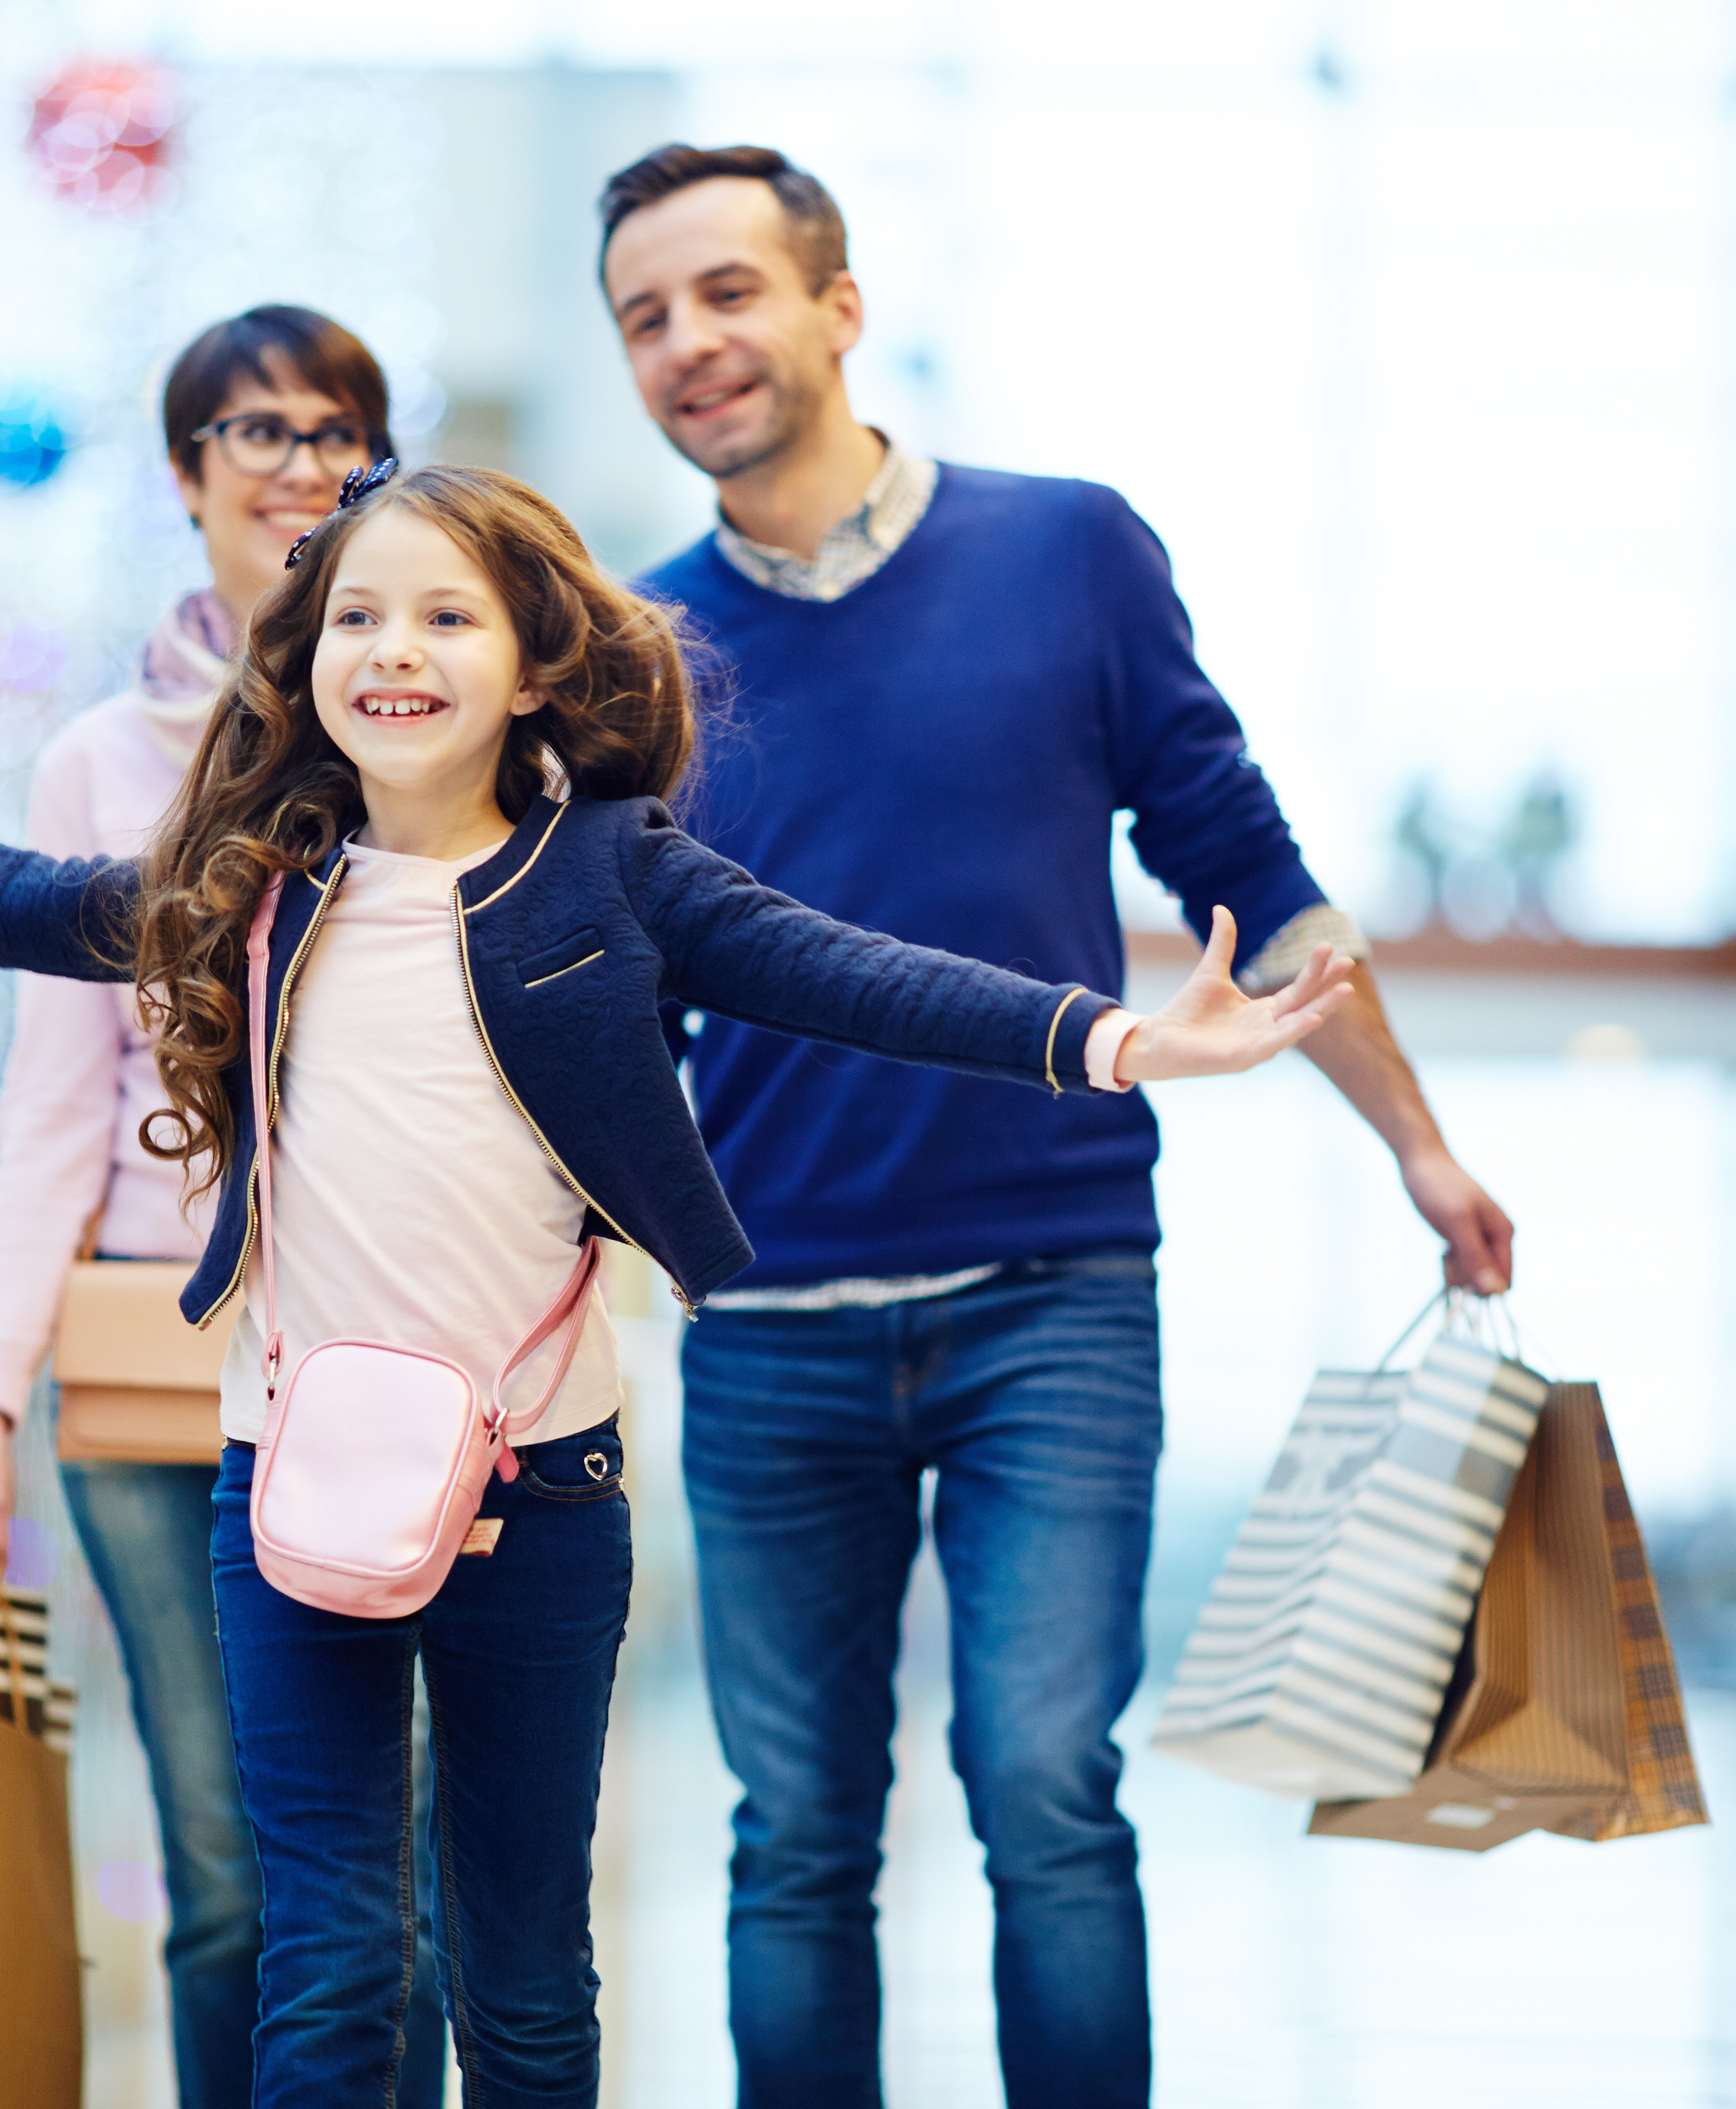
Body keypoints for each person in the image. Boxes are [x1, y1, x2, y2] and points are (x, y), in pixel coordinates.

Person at [0, 461, 1357, 2108]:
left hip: (544, 1495)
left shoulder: (615, 874)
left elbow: (859, 980)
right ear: (304, 674)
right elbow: (17, 896)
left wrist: (1122, 1040)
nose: (396, 651)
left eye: (447, 619)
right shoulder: (253, 890)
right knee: (328, 1957)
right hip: (280, 1489)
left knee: (520, 1973)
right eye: (359, 620)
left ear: (533, 666)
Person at [593, 143, 1520, 2108]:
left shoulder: (1066, 551)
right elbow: (610, 1011)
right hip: (769, 1328)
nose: (689, 344)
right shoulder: (630, 653)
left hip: (1052, 1302)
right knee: (799, 1835)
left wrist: (1413, 1149)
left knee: (1043, 1793)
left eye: (728, 291)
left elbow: (1254, 885)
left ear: (839, 307)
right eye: (645, 317)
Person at [0, 305, 443, 2109]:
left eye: (333, 436)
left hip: (384, 1358)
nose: (297, 469)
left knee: (389, 1872)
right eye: (254, 434)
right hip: (151, 1366)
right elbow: (52, 1113)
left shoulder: (445, 727)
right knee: (222, 1872)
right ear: (185, 475)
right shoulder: (99, 761)